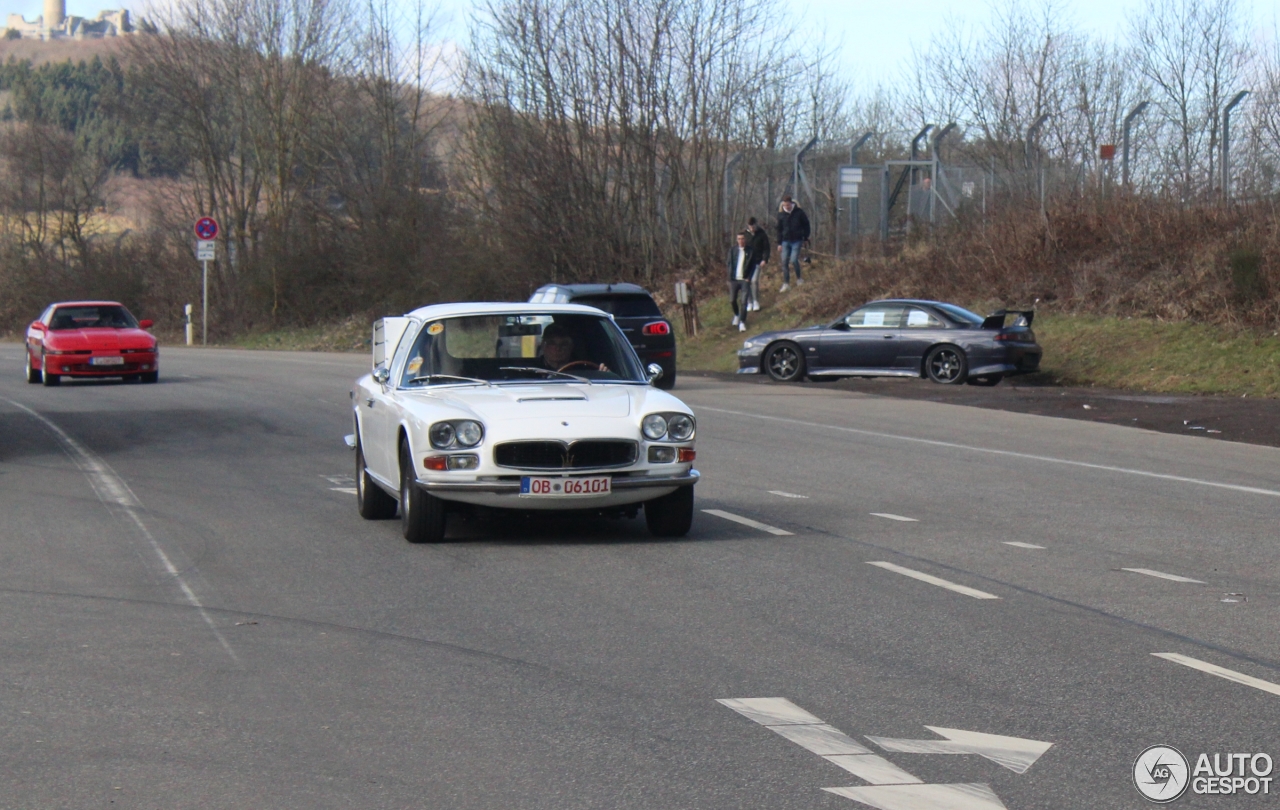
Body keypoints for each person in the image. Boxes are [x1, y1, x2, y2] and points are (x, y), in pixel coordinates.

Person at [775, 194, 810, 292]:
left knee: (794, 260)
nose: (787, 207)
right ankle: (786, 283)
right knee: (784, 261)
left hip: (797, 240)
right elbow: (779, 229)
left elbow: (806, 224)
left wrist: (805, 237)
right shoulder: (781, 215)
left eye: (788, 205)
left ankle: (799, 279)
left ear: (791, 204)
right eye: (785, 205)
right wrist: (779, 243)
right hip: (785, 241)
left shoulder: (799, 213)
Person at [539, 323, 607, 372]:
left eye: (564, 344)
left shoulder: (583, 369)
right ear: (543, 345)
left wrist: (605, 374)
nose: (558, 348)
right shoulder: (531, 369)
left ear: (571, 346)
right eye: (552, 343)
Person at [726, 231, 754, 332]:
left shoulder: (750, 251)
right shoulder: (733, 250)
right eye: (739, 239)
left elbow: (752, 266)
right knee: (732, 300)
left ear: (745, 239)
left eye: (742, 239)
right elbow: (729, 263)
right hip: (734, 279)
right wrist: (729, 277)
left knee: (743, 301)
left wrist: (749, 277)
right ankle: (737, 315)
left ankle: (742, 322)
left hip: (745, 279)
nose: (740, 241)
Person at [746, 217, 770, 311]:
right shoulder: (745, 235)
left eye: (753, 226)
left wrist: (765, 259)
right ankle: (749, 302)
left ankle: (756, 301)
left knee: (754, 281)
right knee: (747, 282)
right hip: (746, 263)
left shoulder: (762, 234)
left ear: (756, 225)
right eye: (750, 226)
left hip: (757, 261)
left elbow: (766, 248)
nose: (752, 228)